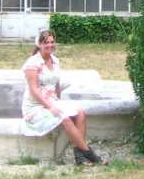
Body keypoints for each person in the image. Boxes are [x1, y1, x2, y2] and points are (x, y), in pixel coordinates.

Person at [21, 29, 108, 166]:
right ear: (39, 44)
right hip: (36, 106)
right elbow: (33, 90)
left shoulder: (55, 61)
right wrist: (50, 106)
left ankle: (79, 156)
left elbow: (56, 84)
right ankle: (91, 155)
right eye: (46, 43)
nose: (50, 45)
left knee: (80, 113)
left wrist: (57, 102)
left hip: (53, 101)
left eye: (52, 42)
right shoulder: (32, 63)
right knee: (65, 119)